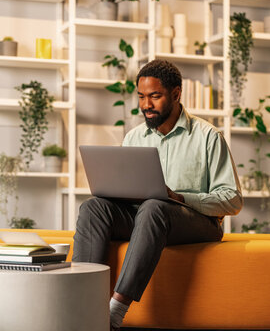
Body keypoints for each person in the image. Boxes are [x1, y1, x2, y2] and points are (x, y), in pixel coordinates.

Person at [72, 59, 243, 331]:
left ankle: (115, 311)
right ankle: (81, 302)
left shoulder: (208, 136)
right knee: (94, 207)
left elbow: (232, 200)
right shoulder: (134, 137)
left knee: (154, 206)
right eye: (141, 96)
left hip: (199, 222)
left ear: (176, 94)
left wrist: (180, 198)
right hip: (148, 217)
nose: (146, 105)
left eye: (154, 96)